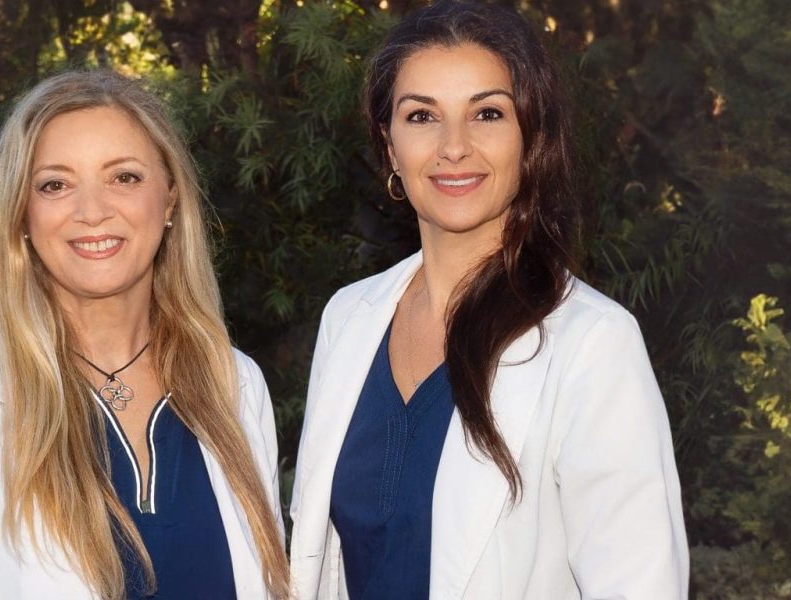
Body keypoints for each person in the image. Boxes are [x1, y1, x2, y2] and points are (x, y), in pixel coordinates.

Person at [286, 2, 690, 598]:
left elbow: (639, 585)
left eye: (488, 113)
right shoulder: (349, 318)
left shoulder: (592, 343)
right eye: (422, 116)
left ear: (530, 140)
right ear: (389, 145)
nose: (454, 147)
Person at [0, 70, 289, 599]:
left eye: (124, 177)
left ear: (169, 199)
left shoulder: (233, 381)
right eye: (55, 184)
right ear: (22, 217)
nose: (92, 211)